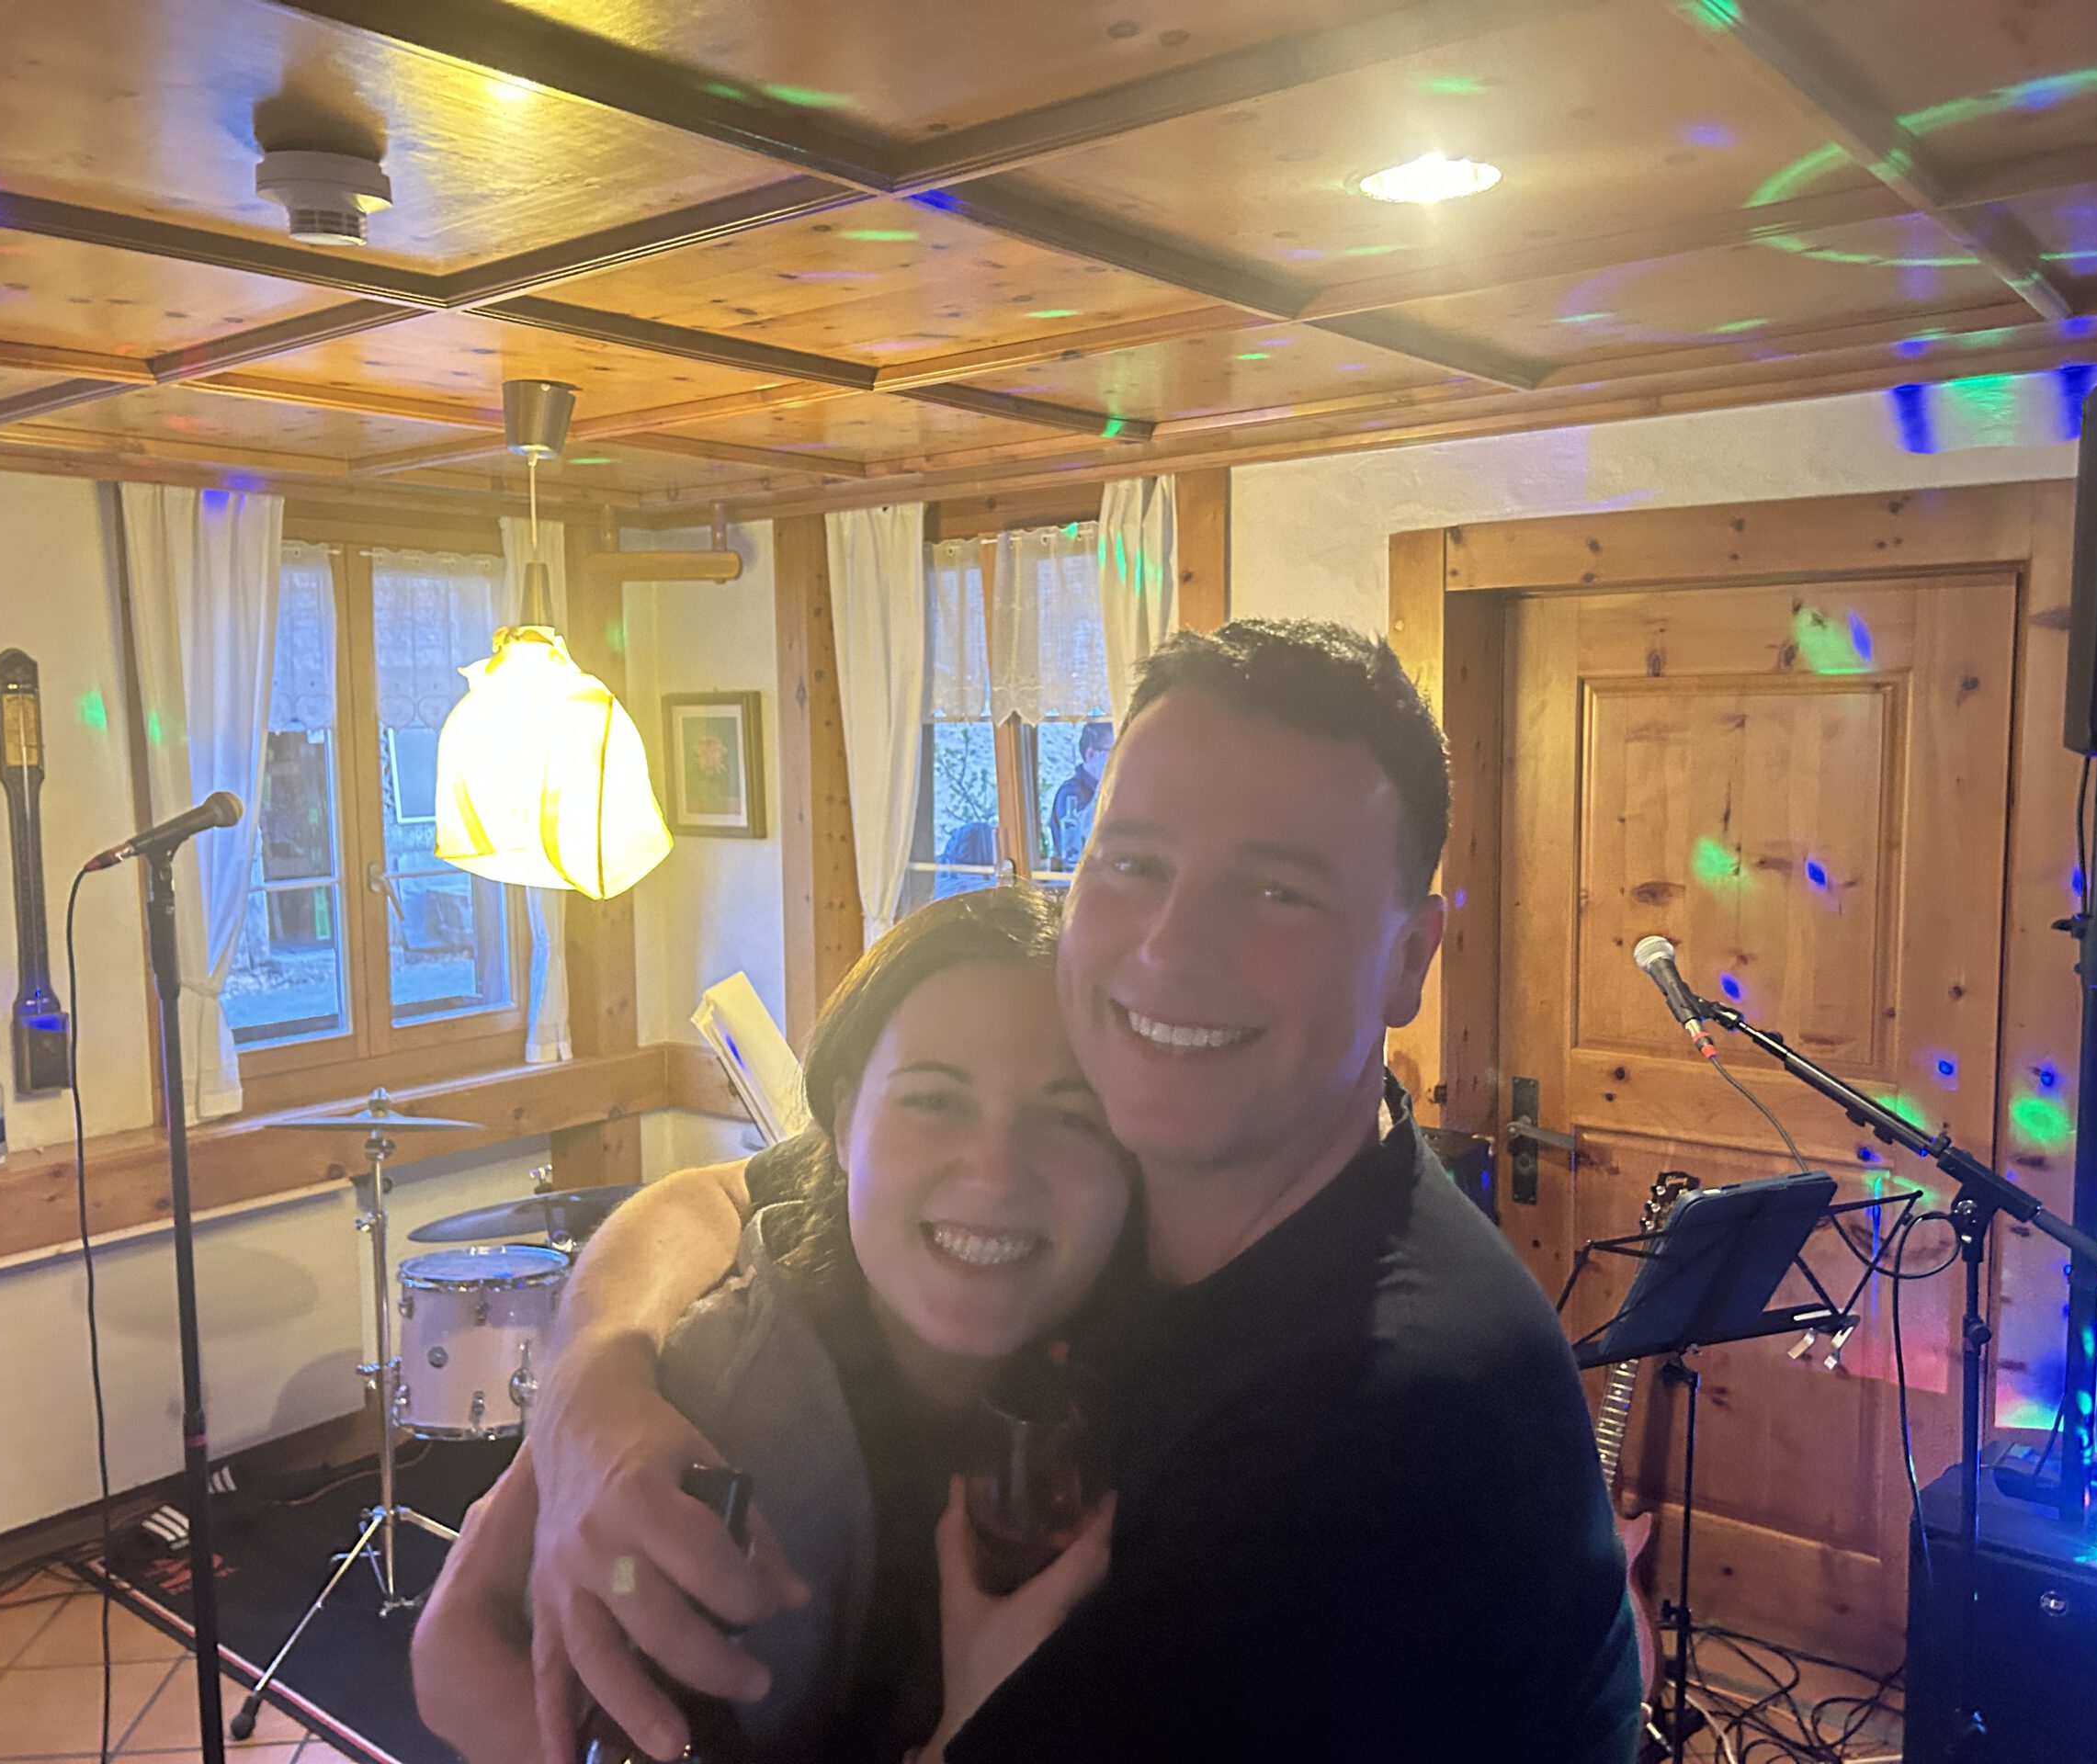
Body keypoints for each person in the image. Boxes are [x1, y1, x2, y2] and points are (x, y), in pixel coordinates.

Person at [433, 618, 1640, 1762]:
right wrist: (594, 1389)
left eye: (1276, 891)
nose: (1169, 946)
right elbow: (735, 1192)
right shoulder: (1146, 1164)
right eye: (1132, 863)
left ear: (1409, 958)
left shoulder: (1377, 1442)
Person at [412, 885, 1130, 1764]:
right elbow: (466, 1652)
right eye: (935, 1101)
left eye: (1070, 1116)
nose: (996, 1172)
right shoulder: (715, 1399)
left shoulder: (1157, 1375)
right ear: (841, 1126)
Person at [1048, 720, 1113, 874]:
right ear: (1091, 754)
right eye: (1112, 752)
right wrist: (1106, 780)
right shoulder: (1070, 792)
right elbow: (1088, 834)